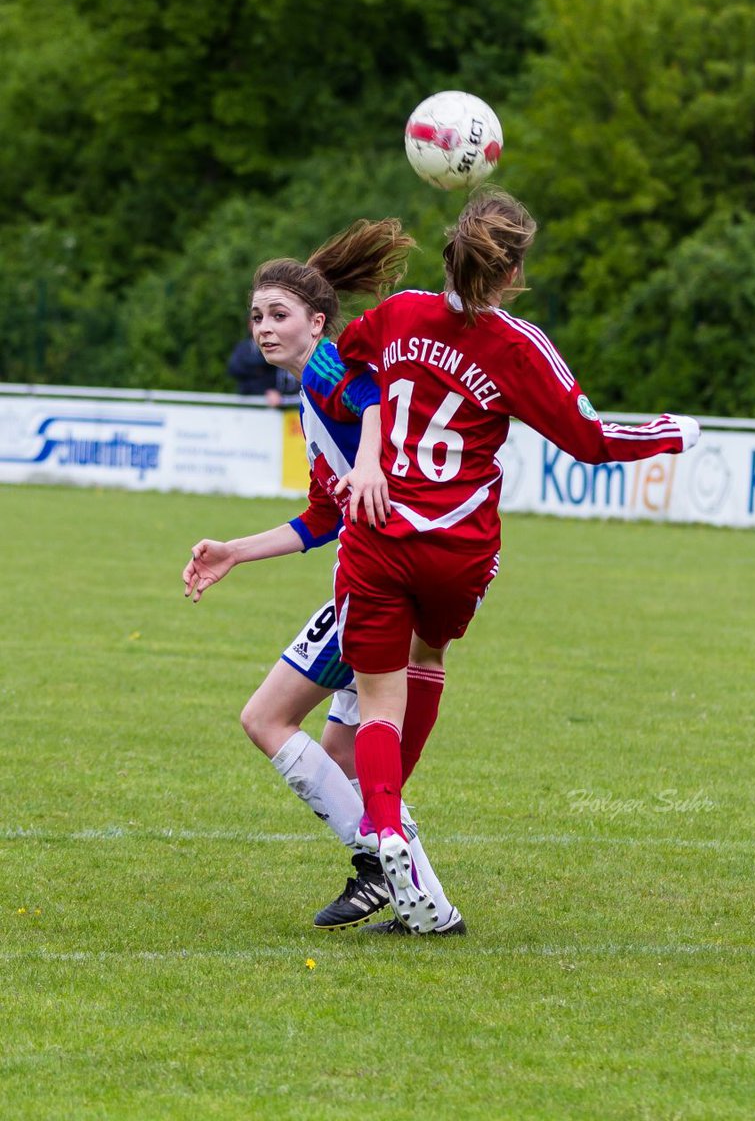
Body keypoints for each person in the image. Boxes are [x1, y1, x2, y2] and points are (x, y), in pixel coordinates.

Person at [332, 187, 702, 934]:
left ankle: (384, 832)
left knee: (376, 703)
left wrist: (369, 449)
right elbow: (591, 441)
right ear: (512, 271)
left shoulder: (398, 314)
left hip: (377, 533)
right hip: (457, 548)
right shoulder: (515, 345)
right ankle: (391, 827)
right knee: (427, 655)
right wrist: (674, 432)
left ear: (449, 254)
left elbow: (340, 366)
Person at [182, 222, 464, 935]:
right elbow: (321, 515)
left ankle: (379, 865)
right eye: (256, 315)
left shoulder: (324, 369)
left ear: (316, 321)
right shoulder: (311, 398)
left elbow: (373, 395)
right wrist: (235, 552)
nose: (263, 327)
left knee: (265, 719)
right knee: (341, 755)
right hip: (371, 572)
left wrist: (372, 459)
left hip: (372, 583)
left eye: (278, 314)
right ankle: (424, 903)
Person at [227, 319, 300, 406]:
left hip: (277, 398)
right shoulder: (243, 346)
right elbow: (233, 368)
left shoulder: (277, 346)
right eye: (255, 320)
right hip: (250, 396)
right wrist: (256, 370)